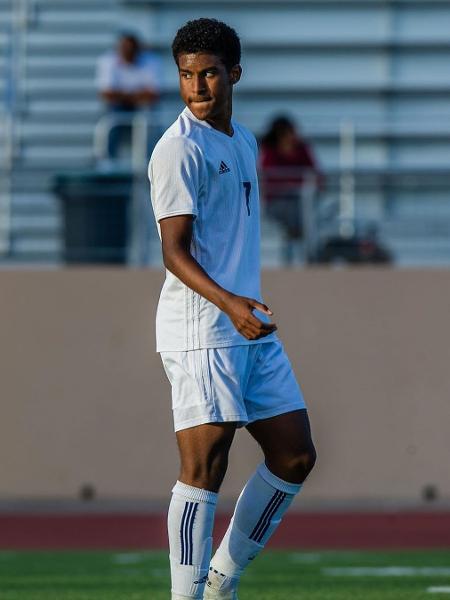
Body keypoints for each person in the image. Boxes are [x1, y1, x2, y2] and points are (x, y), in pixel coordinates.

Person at [148, 19, 316, 600]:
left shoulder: (242, 140)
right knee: (205, 467)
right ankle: (186, 596)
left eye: (209, 73)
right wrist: (230, 303)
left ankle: (221, 580)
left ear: (234, 74)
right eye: (187, 75)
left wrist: (243, 308)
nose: (197, 86)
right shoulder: (178, 150)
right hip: (202, 327)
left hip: (248, 324)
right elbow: (174, 251)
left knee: (294, 454)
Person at [260, 115, 323, 264]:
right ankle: (305, 252)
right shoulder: (270, 151)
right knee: (301, 217)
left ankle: (299, 250)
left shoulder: (302, 149)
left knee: (302, 212)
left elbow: (316, 172)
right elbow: (271, 178)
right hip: (278, 202)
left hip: (299, 202)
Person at [96, 32, 161, 159]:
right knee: (110, 119)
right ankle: (108, 161)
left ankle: (149, 160)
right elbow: (106, 94)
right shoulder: (107, 61)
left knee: (148, 120)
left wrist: (122, 95)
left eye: (131, 49)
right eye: (125, 49)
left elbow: (154, 95)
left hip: (141, 107)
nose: (128, 52)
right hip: (119, 106)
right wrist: (137, 95)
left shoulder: (152, 61)